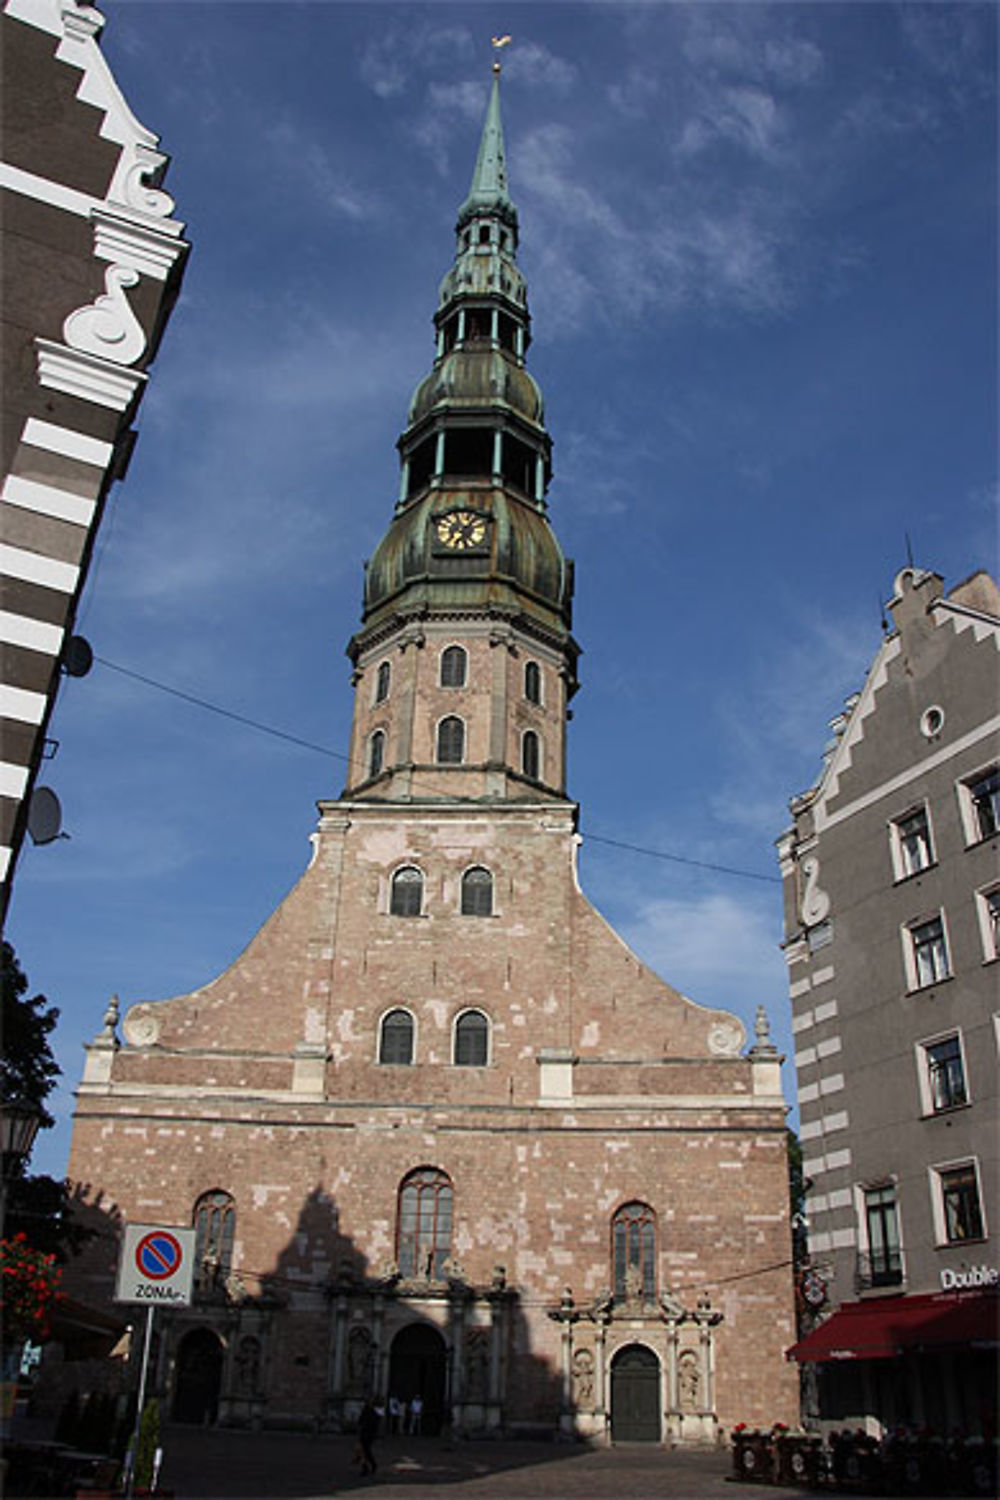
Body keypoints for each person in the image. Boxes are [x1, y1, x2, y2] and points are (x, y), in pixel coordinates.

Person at [357, 1399, 379, 1476]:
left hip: (367, 1435)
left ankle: (368, 1467)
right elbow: (360, 1422)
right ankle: (367, 1467)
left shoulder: (370, 1413)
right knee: (365, 1452)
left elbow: (361, 1423)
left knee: (365, 1452)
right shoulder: (371, 1413)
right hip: (367, 1435)